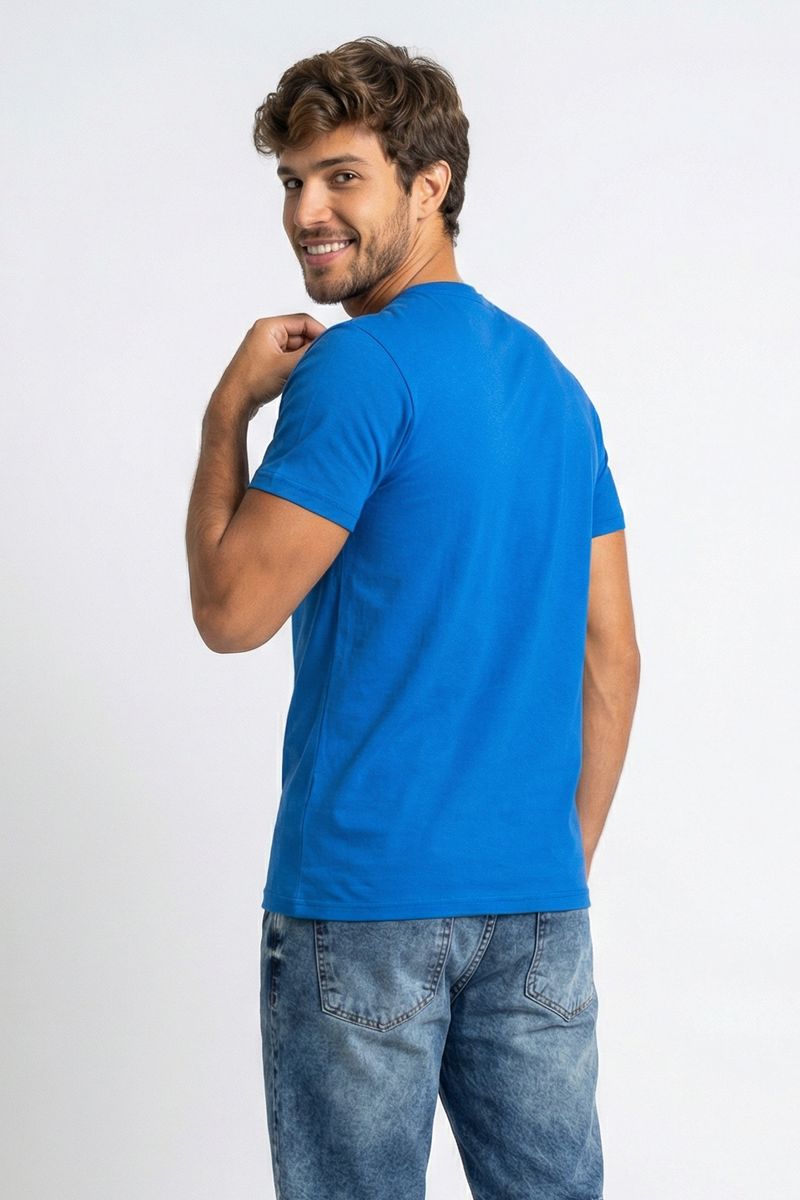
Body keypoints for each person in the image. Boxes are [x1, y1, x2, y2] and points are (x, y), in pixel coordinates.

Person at [185, 34, 640, 1200]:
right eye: (293, 180)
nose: (306, 212)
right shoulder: (556, 388)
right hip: (535, 905)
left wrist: (227, 411)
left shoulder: (357, 371)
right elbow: (611, 656)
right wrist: (547, 861)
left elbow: (230, 611)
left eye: (342, 176)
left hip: (364, 899)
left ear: (428, 185)